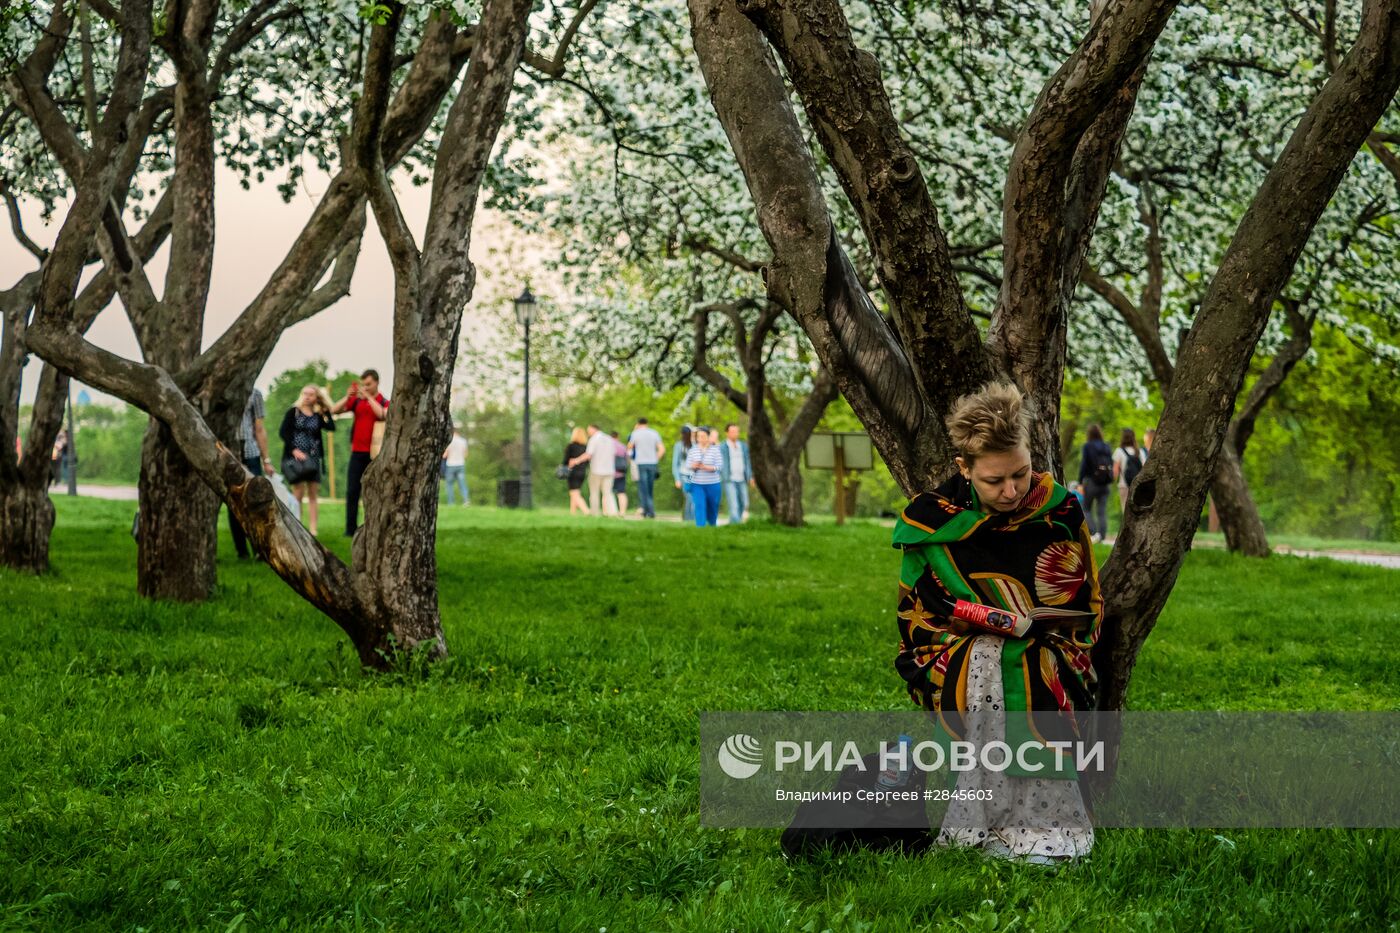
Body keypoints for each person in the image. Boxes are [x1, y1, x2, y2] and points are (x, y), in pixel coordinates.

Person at [893, 380, 1100, 865]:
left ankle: (1046, 828)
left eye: (1021, 474)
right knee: (987, 657)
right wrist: (974, 624)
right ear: (964, 468)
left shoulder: (1061, 512)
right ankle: (980, 820)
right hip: (957, 650)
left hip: (1053, 648)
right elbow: (918, 616)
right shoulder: (932, 521)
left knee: (1021, 663)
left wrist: (1032, 626)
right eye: (994, 481)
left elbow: (1084, 602)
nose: (1011, 491)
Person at [330, 369, 389, 537]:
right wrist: (349, 396)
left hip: (375, 455)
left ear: (377, 383)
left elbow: (382, 415)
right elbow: (334, 410)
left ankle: (372, 526)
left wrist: (369, 397)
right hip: (357, 453)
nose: (366, 387)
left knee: (373, 492)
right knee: (352, 491)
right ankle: (350, 529)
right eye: (364, 384)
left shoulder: (383, 401)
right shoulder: (357, 402)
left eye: (369, 384)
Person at [279, 385, 335, 536]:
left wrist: (324, 409)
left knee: (312, 493)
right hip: (295, 457)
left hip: (313, 458)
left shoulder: (317, 415)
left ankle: (313, 529)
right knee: (298, 491)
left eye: (311, 394)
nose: (308, 397)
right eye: (305, 393)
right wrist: (294, 449)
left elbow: (331, 427)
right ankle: (297, 524)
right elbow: (283, 432)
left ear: (316, 397)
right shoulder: (294, 412)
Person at [229, 388, 274, 559]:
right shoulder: (224, 390)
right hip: (230, 452)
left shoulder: (255, 394)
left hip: (251, 453)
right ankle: (242, 551)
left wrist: (266, 459)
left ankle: (259, 548)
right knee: (234, 501)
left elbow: (259, 428)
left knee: (255, 501)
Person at [1076, 424, 1112, 542]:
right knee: (1101, 511)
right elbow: (1110, 463)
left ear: (1089, 434)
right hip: (1105, 483)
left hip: (1091, 482)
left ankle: (1093, 532)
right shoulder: (1106, 446)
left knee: (1086, 508)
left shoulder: (1088, 446)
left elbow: (1084, 464)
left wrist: (1080, 481)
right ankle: (1102, 536)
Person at [575, 423, 617, 516]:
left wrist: (576, 460)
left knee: (594, 492)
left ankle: (594, 512)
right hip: (609, 470)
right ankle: (612, 512)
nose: (588, 432)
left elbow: (588, 454)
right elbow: (614, 454)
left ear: (594, 429)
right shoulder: (609, 439)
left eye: (588, 430)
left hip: (596, 470)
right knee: (608, 493)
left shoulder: (594, 439)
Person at [686, 423, 723, 527]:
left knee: (712, 506)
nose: (701, 439)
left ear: (708, 437)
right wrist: (693, 465)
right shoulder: (693, 450)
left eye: (703, 436)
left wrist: (707, 468)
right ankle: (700, 527)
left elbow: (719, 466)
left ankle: (712, 525)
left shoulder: (715, 450)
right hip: (697, 484)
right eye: (699, 436)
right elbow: (688, 465)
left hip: (713, 484)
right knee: (699, 505)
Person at [628, 417, 665, 519]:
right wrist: (656, 458)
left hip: (641, 463)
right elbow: (662, 449)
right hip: (652, 463)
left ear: (638, 424)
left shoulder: (636, 433)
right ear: (647, 423)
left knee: (643, 488)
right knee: (650, 488)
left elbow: (629, 447)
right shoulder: (654, 433)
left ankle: (648, 511)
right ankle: (648, 510)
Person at [719, 423, 754, 525]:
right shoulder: (722, 447)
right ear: (727, 433)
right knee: (734, 504)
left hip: (742, 478)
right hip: (729, 479)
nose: (735, 434)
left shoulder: (743, 446)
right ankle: (737, 525)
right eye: (732, 431)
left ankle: (733, 523)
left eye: (737, 431)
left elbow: (747, 462)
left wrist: (750, 476)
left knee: (744, 503)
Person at [1112, 428, 1145, 513]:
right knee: (1137, 510)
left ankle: (1128, 526)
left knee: (1125, 510)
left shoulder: (1119, 451)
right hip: (1138, 485)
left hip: (1124, 485)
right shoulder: (1140, 452)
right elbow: (1144, 469)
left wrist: (1111, 480)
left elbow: (1115, 472)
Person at [563, 427, 590, 515]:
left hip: (573, 472)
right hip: (582, 472)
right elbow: (587, 461)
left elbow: (566, 460)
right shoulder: (586, 447)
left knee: (574, 493)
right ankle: (573, 513)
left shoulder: (571, 446)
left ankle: (587, 511)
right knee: (575, 492)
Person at [672, 425, 694, 522]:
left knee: (692, 498)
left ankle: (690, 518)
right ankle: (688, 519)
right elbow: (675, 463)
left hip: (693, 475)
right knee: (689, 497)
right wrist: (677, 479)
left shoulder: (694, 445)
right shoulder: (679, 445)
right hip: (683, 474)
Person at [442, 426, 469, 506]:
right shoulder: (463, 441)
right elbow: (466, 454)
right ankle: (466, 501)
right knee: (462, 483)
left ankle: (451, 502)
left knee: (449, 484)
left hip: (451, 464)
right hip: (461, 464)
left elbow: (445, 455)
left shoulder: (449, 441)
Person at [610, 430, 629, 517]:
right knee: (621, 492)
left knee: (609, 493)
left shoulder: (608, 445)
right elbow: (627, 459)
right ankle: (622, 512)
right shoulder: (622, 446)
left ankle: (612, 511)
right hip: (621, 472)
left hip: (610, 473)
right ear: (617, 437)